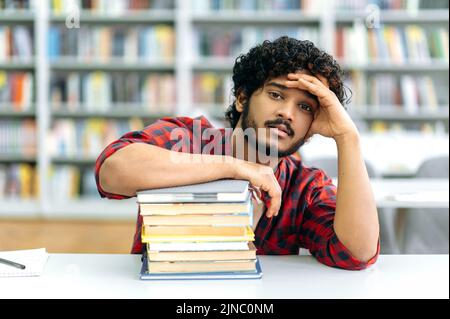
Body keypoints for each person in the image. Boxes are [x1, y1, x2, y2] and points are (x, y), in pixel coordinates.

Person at [95, 36, 379, 270]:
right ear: (242, 99)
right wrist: (237, 168)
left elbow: (356, 253)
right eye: (276, 95)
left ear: (313, 125)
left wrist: (347, 137)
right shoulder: (189, 138)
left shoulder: (303, 187)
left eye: (305, 107)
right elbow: (111, 172)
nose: (287, 113)